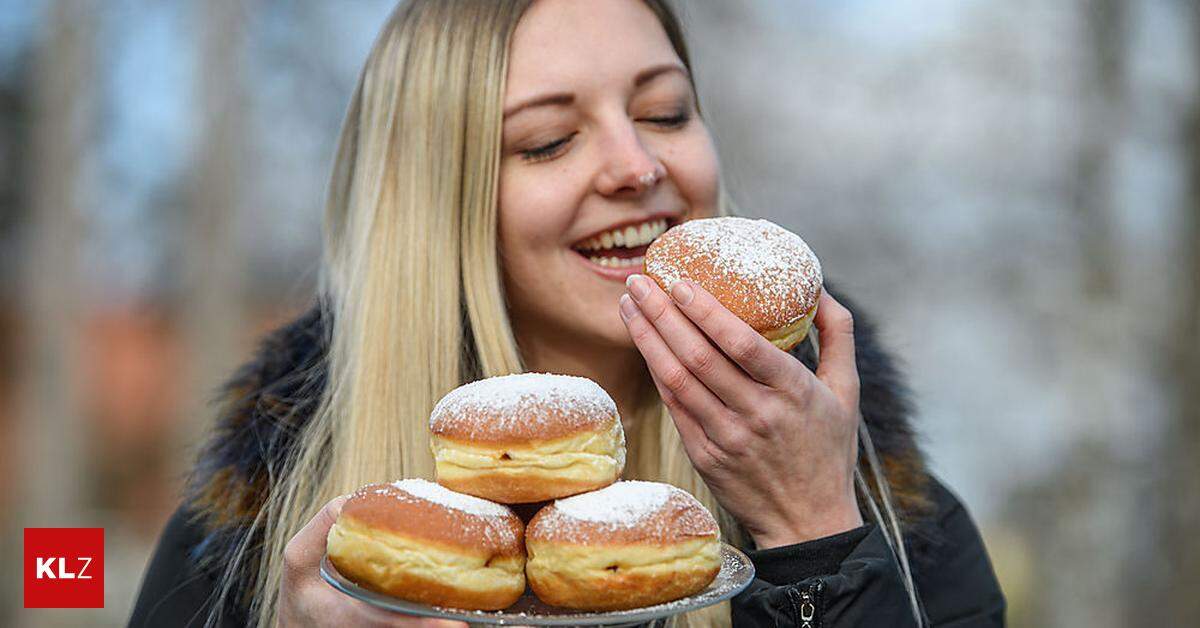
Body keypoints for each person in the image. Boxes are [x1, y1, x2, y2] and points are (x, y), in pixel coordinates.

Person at [128, 0, 1006, 626]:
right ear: (442, 206)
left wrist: (816, 543)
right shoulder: (257, 525)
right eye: (549, 139)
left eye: (665, 112)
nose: (636, 164)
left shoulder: (887, 507)